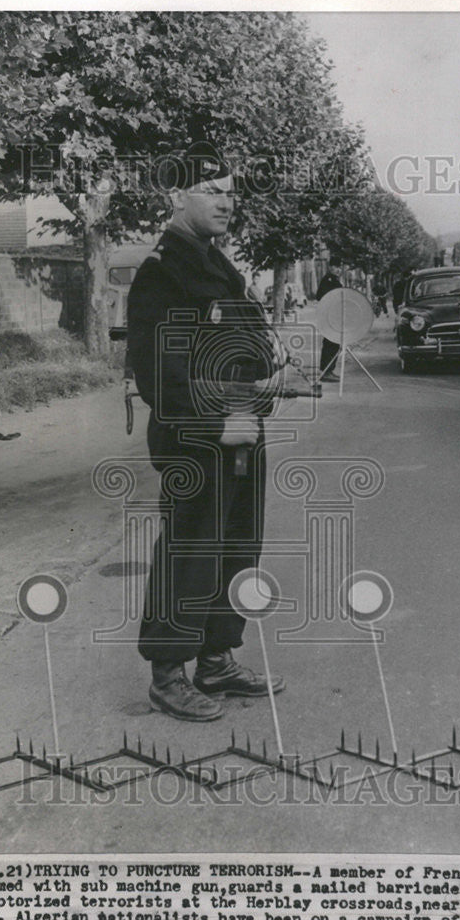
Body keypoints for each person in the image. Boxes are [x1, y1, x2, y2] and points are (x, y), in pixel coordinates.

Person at [126, 141, 285, 722]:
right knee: (190, 551)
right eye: (213, 191)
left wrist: (272, 377)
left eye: (231, 192)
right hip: (198, 440)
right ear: (176, 197)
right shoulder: (162, 273)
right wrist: (221, 424)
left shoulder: (219, 265)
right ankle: (168, 675)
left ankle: (215, 660)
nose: (227, 201)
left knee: (238, 546)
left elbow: (246, 340)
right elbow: (158, 376)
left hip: (243, 432)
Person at [316, 259, 343, 382]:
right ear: (330, 267)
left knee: (334, 344)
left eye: (339, 267)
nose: (338, 269)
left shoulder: (333, 279)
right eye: (336, 267)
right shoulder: (328, 280)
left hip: (334, 315)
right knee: (331, 343)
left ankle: (328, 370)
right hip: (330, 315)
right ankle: (327, 371)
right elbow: (321, 296)